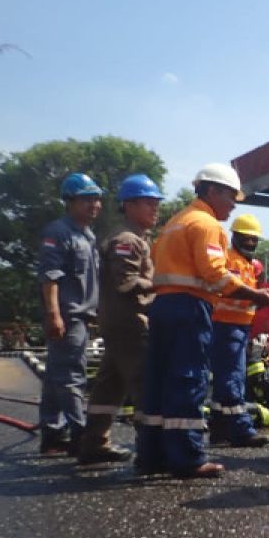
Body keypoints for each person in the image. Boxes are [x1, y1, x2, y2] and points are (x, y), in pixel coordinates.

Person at [137, 163, 269, 478]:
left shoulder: (174, 222)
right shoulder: (206, 224)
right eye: (230, 196)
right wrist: (255, 295)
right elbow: (214, 275)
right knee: (188, 379)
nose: (234, 204)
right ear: (212, 191)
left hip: (163, 306)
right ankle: (187, 457)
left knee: (159, 382)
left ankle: (152, 454)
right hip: (190, 308)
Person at [76, 174, 164, 464]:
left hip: (119, 323)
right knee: (146, 384)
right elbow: (126, 283)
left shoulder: (137, 238)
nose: (155, 209)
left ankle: (94, 442)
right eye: (149, 203)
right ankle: (153, 450)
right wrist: (167, 286)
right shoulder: (126, 240)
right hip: (130, 323)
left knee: (110, 385)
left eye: (156, 203)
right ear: (128, 205)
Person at [36, 173, 102, 455]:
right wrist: (54, 314)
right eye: (87, 199)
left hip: (82, 314)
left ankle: (52, 434)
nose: (94, 205)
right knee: (73, 374)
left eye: (97, 199)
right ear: (70, 201)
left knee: (55, 375)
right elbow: (50, 276)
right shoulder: (58, 232)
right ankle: (80, 434)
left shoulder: (87, 234)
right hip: (67, 314)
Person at [208, 213, 269, 448]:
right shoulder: (228, 260)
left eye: (255, 240)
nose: (251, 243)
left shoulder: (248, 265)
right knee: (233, 378)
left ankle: (220, 428)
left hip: (241, 326)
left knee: (226, 379)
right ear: (235, 236)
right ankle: (241, 429)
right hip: (226, 325)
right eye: (247, 238)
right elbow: (228, 290)